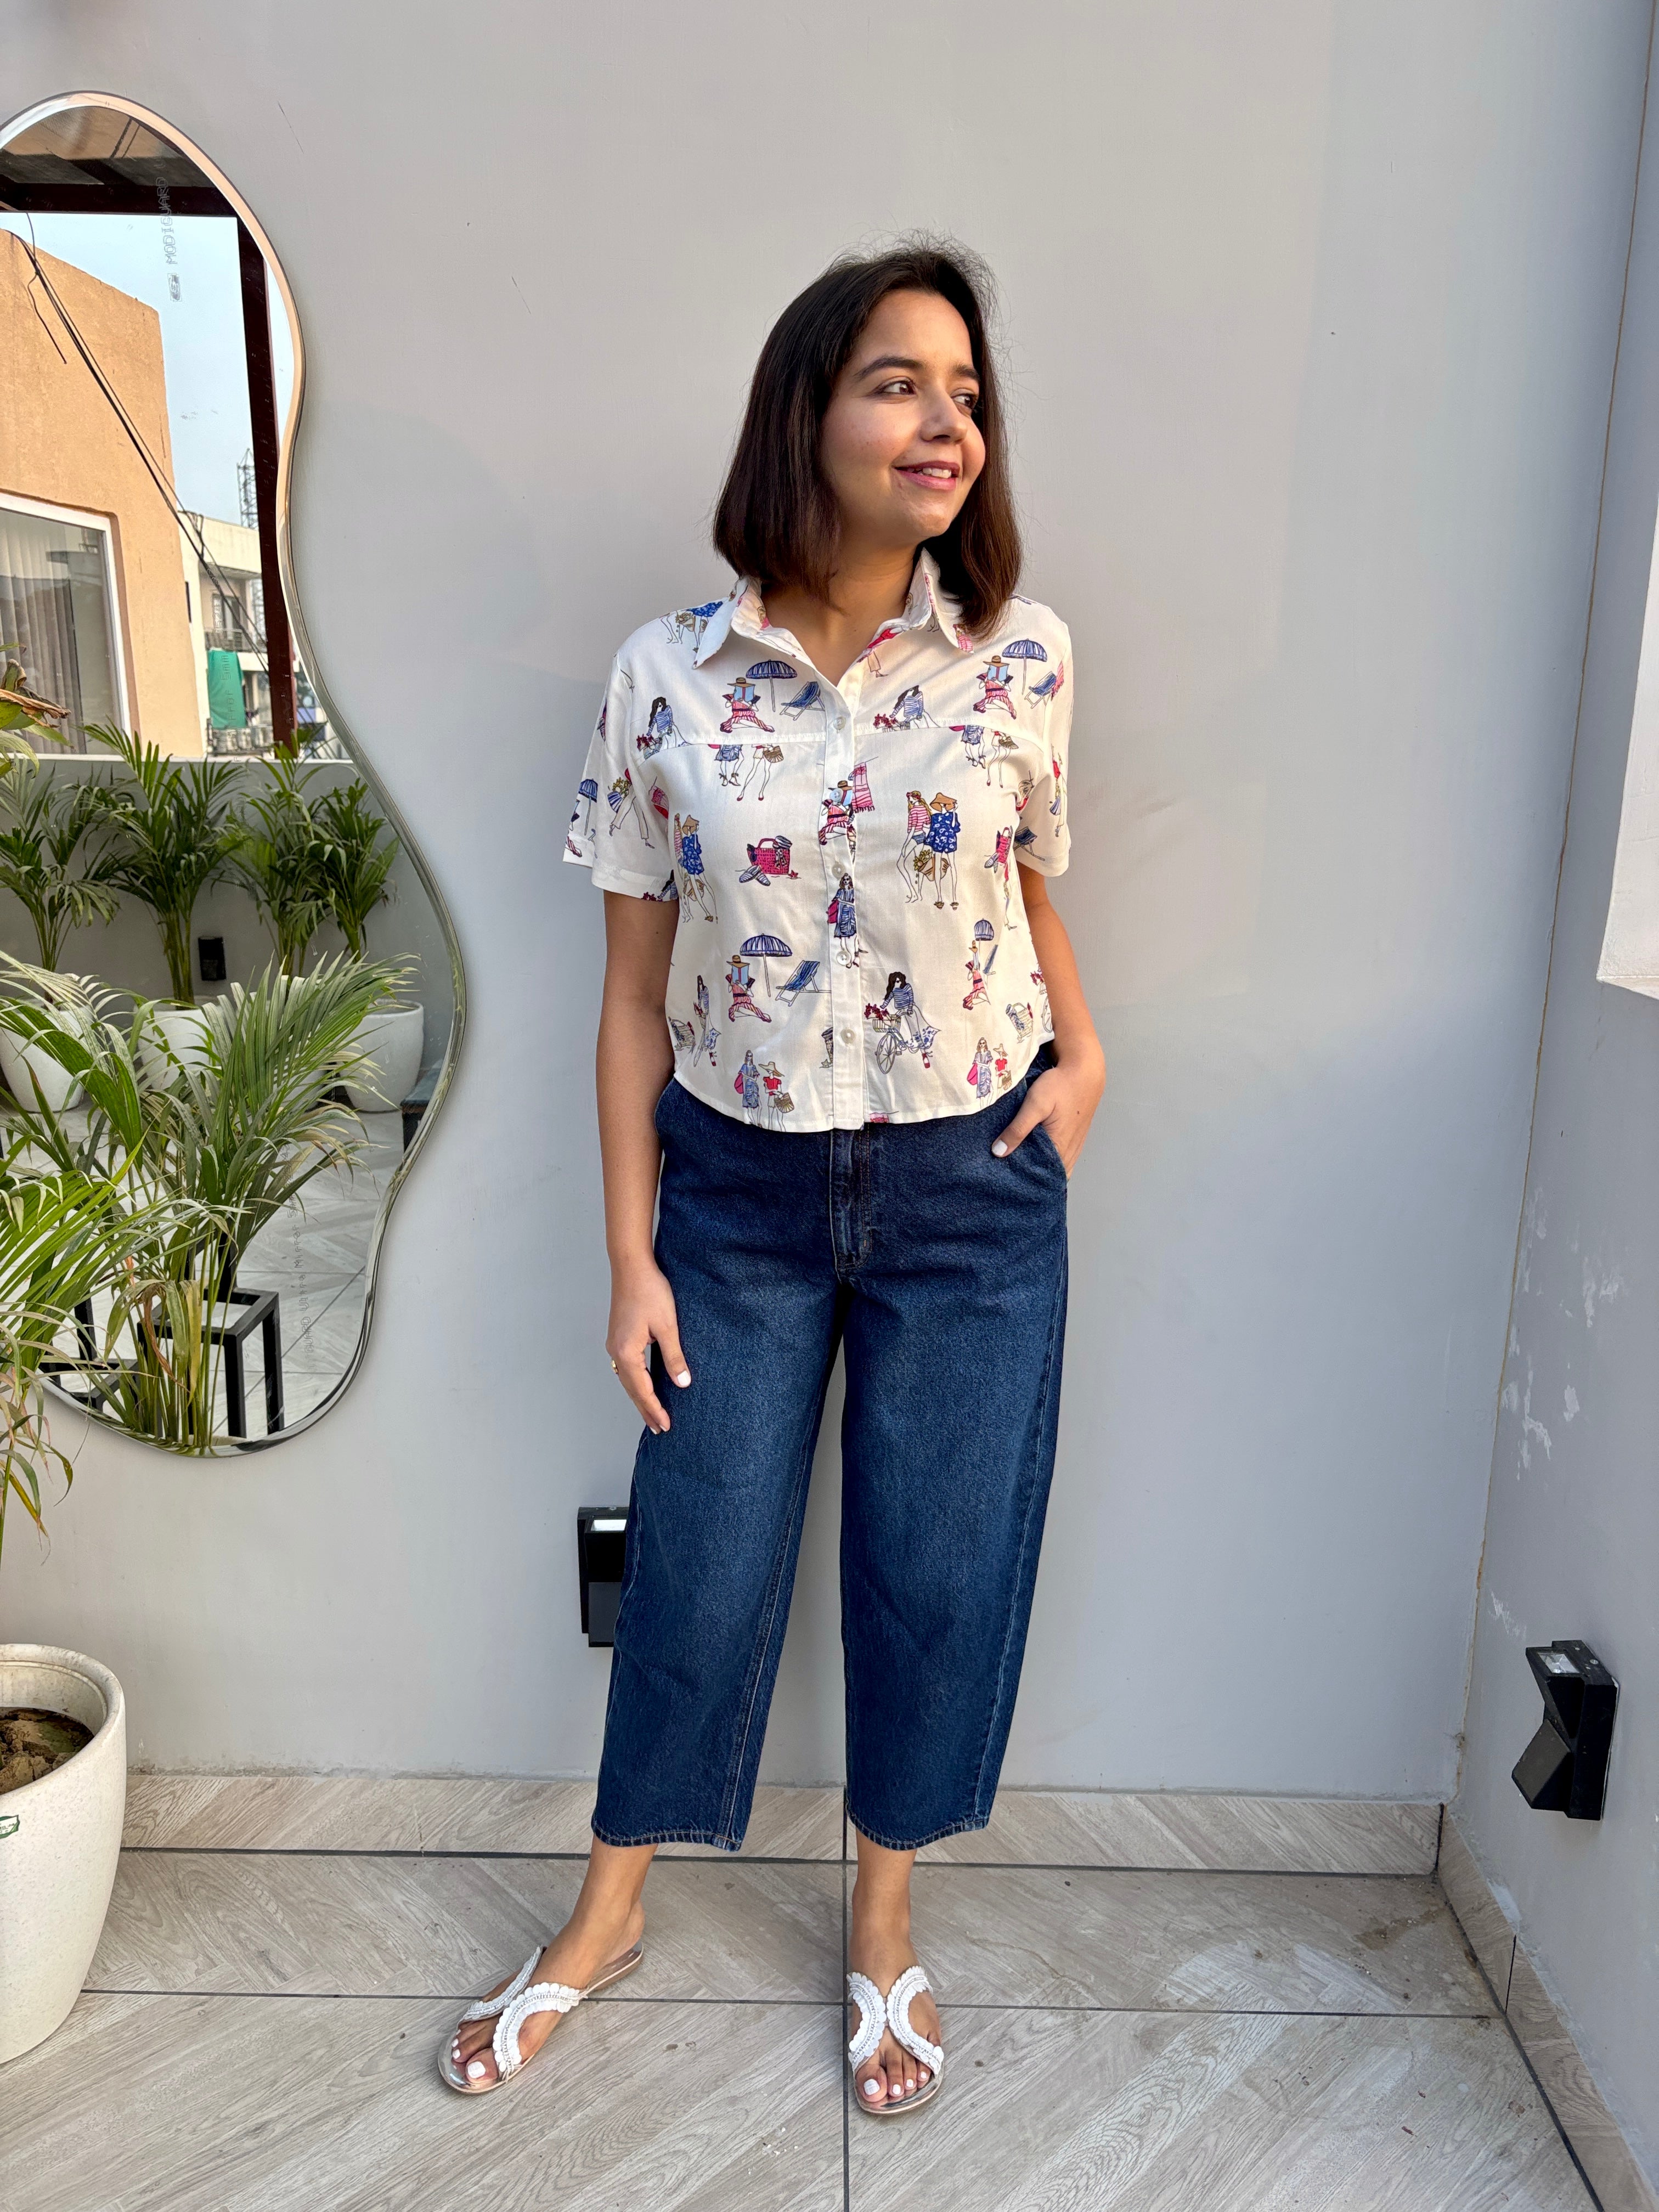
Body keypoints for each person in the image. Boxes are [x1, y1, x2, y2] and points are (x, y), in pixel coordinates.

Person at [444, 241, 1106, 2120]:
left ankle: (883, 1924)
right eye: (902, 381)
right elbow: (630, 999)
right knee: (703, 1567)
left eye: (968, 392)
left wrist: (1093, 1050)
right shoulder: (667, 679)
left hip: (969, 1187)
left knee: (932, 1569)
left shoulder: (1022, 654)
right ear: (807, 409)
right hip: (731, 1191)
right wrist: (628, 1255)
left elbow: (1029, 883)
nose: (947, 420)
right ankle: (609, 1913)